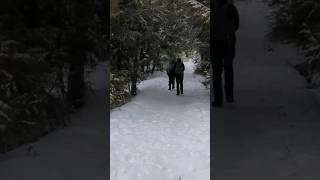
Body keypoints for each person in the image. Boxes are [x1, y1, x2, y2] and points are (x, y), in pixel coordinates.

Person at [212, 0, 239, 107]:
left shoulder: (212, 7)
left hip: (215, 43)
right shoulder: (231, 8)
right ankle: (229, 94)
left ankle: (218, 100)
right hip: (228, 42)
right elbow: (236, 24)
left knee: (216, 72)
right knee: (228, 68)